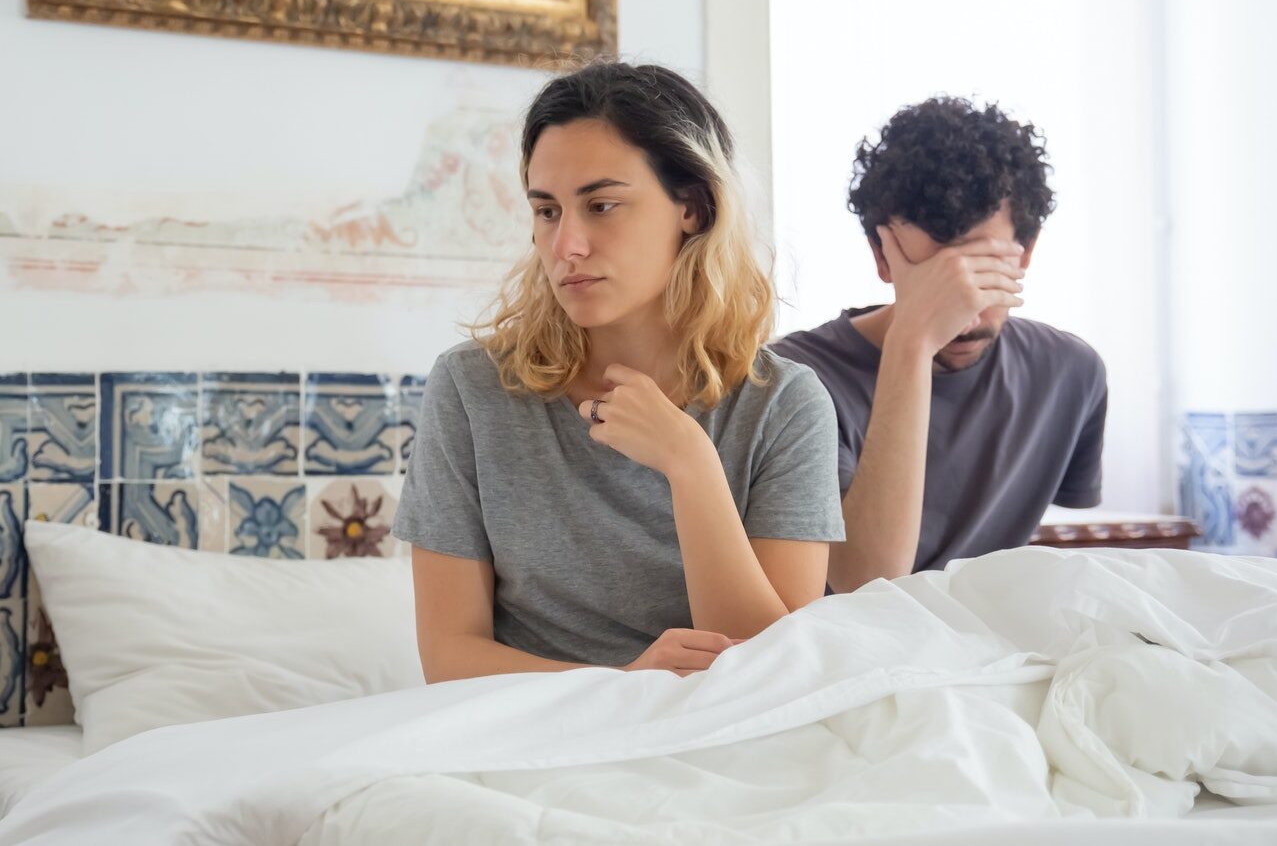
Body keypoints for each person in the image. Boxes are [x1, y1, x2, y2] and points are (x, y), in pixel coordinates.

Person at [392, 61, 844, 680]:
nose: (566, 245)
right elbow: (448, 658)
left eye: (601, 205)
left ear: (694, 206)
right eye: (547, 211)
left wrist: (689, 462)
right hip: (532, 733)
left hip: (722, 736)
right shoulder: (473, 389)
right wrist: (624, 686)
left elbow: (775, 670)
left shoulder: (785, 406)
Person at [772, 96, 1107, 593]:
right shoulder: (791, 378)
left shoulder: (1070, 372)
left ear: (1025, 253)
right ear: (882, 258)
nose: (964, 314)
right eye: (937, 278)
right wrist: (912, 342)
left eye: (981, 271)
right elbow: (866, 580)